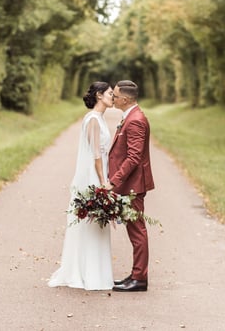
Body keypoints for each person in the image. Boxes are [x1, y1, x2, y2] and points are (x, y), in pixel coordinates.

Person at [48, 81, 114, 290]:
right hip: (94, 177)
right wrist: (103, 182)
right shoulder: (93, 120)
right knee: (92, 222)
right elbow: (95, 155)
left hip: (99, 174)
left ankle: (95, 271)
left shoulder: (99, 119)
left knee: (96, 224)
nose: (113, 96)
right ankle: (86, 273)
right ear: (99, 95)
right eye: (110, 93)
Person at [107, 80, 155, 292]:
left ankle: (139, 279)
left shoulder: (135, 120)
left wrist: (114, 181)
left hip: (133, 185)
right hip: (129, 184)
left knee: (137, 232)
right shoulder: (130, 117)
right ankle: (135, 275)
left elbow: (134, 157)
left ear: (125, 99)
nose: (113, 99)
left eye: (115, 96)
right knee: (134, 230)